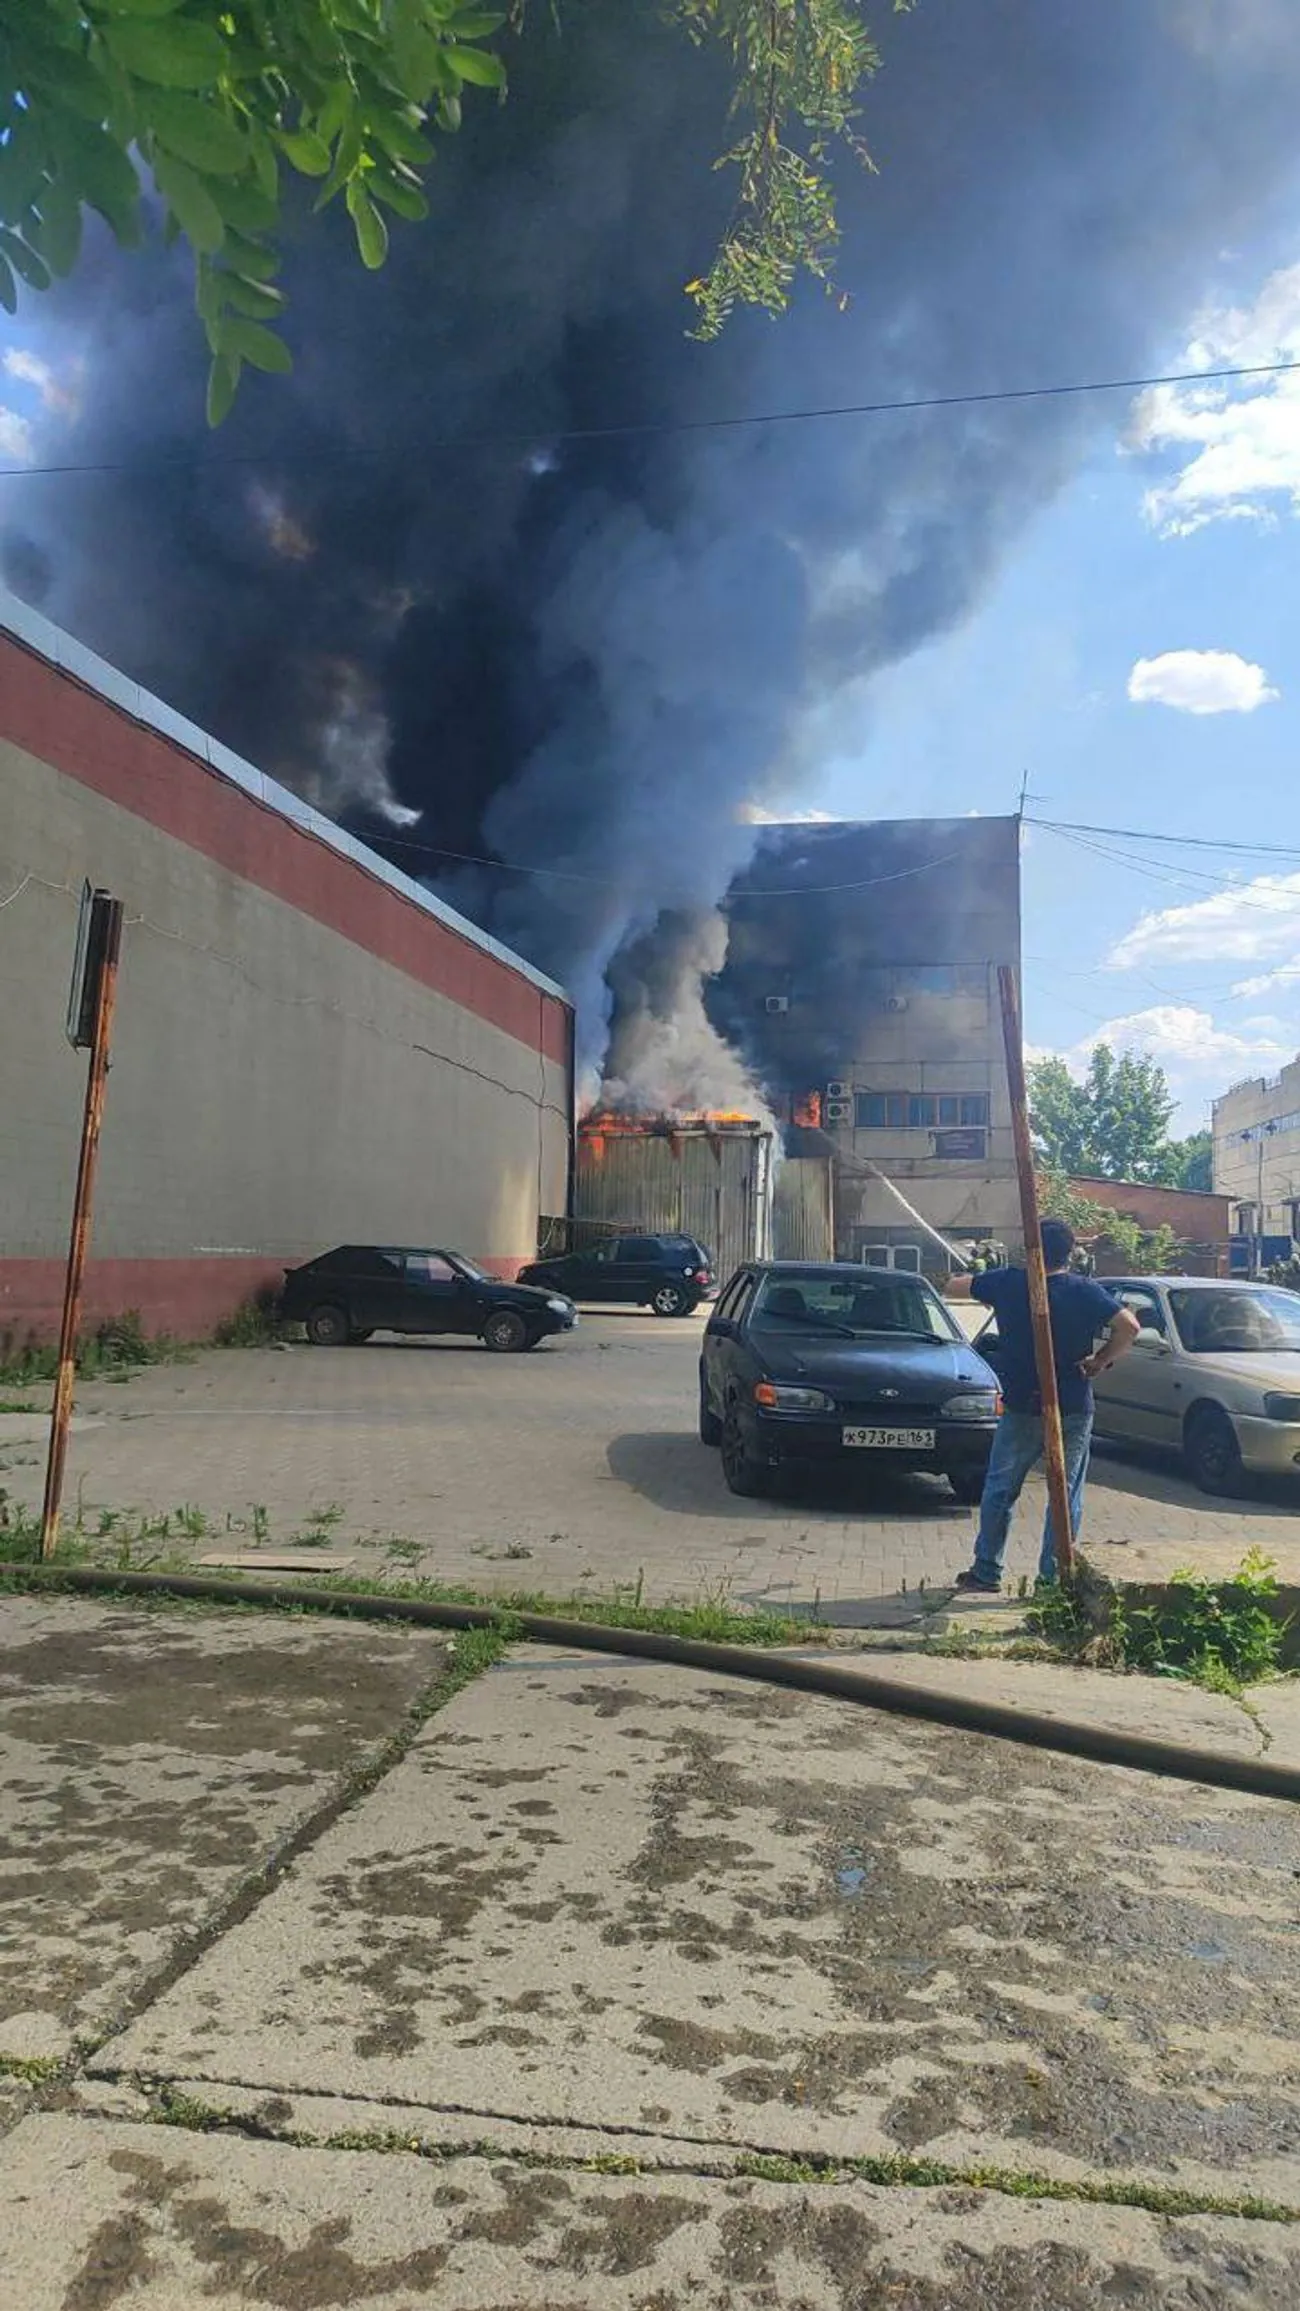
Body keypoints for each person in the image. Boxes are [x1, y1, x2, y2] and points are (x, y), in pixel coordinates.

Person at [949, 1219, 1140, 1593]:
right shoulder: (1085, 1291)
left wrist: (986, 1279)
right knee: (1064, 1494)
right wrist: (1100, 1360)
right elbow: (1129, 1327)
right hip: (1071, 1403)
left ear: (1030, 1248)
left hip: (1022, 1403)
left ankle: (986, 1570)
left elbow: (953, 1286)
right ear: (1071, 1253)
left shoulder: (1008, 1283)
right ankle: (1052, 1582)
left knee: (1000, 1488)